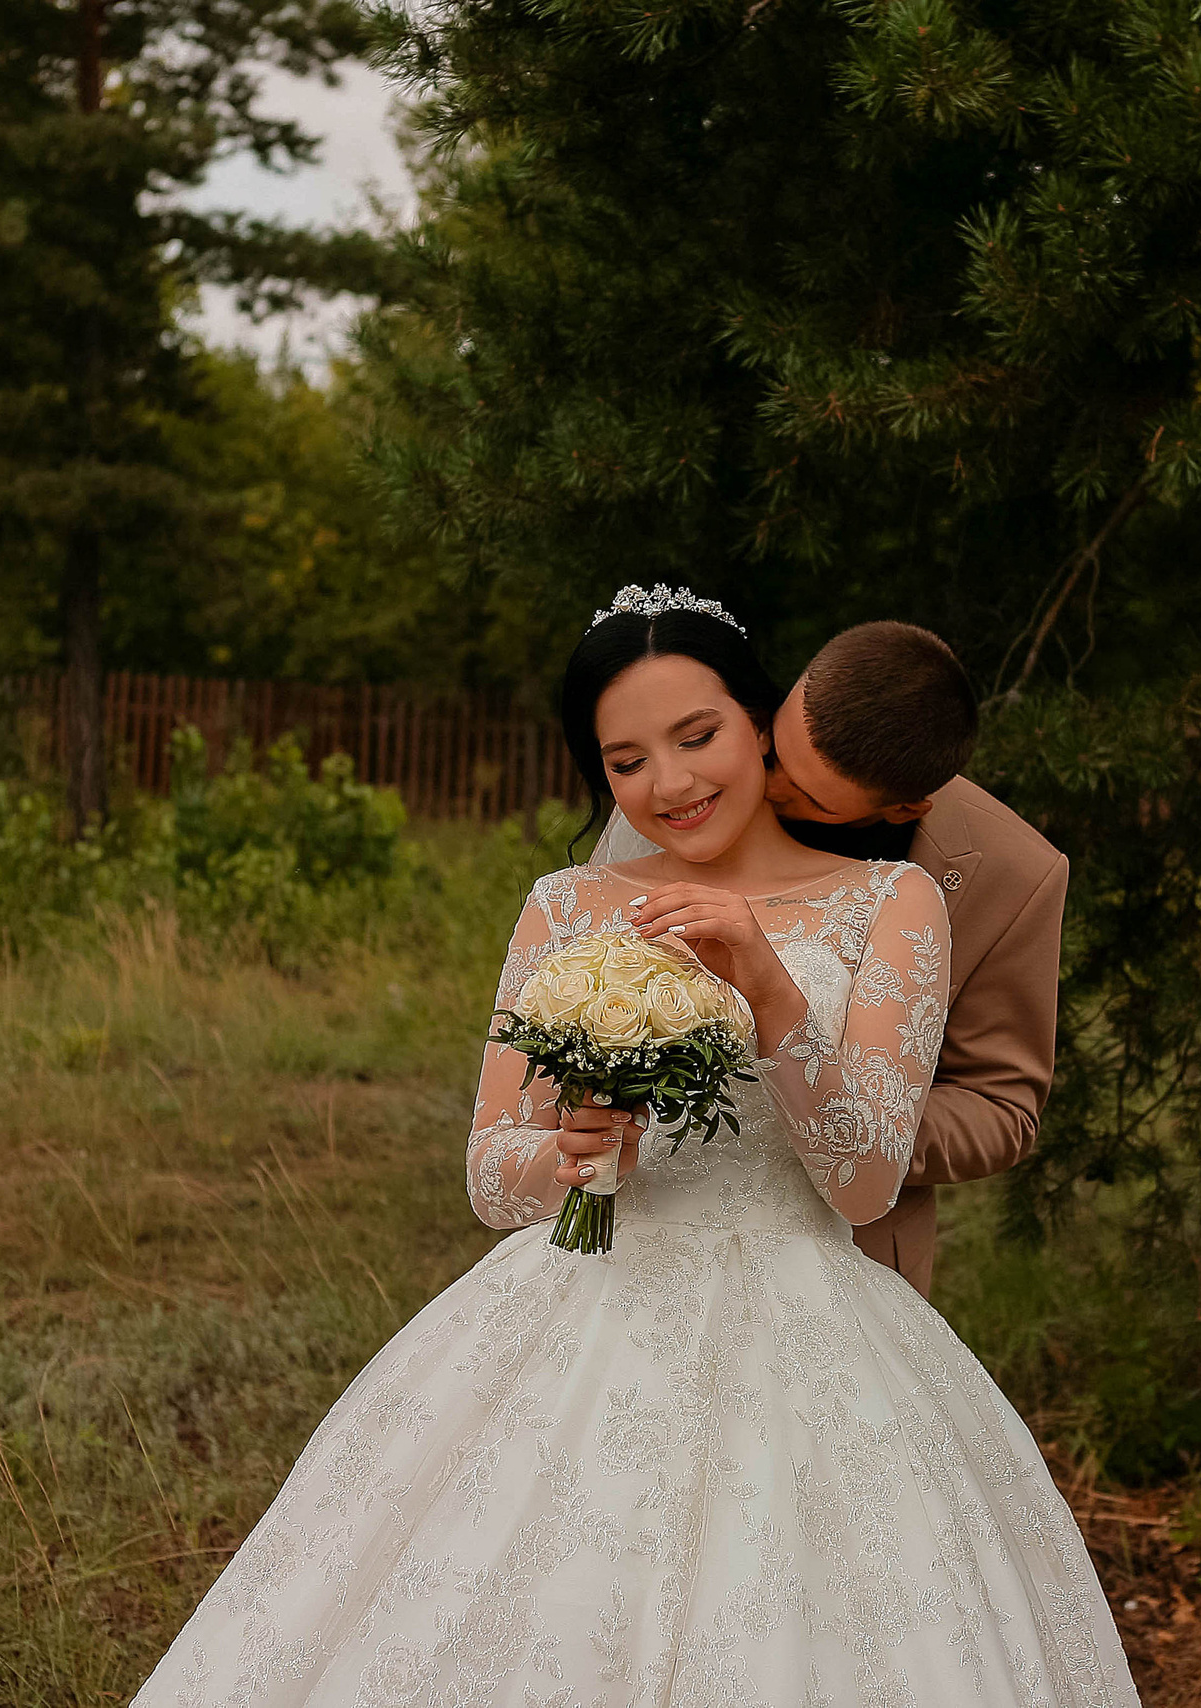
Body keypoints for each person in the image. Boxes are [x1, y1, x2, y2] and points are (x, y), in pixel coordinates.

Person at [130, 586, 1140, 1707]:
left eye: (697, 736)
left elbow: (860, 1182)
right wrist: (573, 1152)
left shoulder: (891, 900)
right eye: (624, 761)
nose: (668, 785)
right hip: (575, 1311)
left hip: (806, 1313)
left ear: (761, 722)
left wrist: (767, 987)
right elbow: (488, 1173)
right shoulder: (566, 906)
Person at [589, 618, 1068, 1296]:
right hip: (650, 1218)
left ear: (904, 808)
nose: (767, 780)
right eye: (776, 744)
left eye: (809, 795)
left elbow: (1002, 1106)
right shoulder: (710, 770)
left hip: (847, 1254)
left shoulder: (1013, 874)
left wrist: (834, 1114)